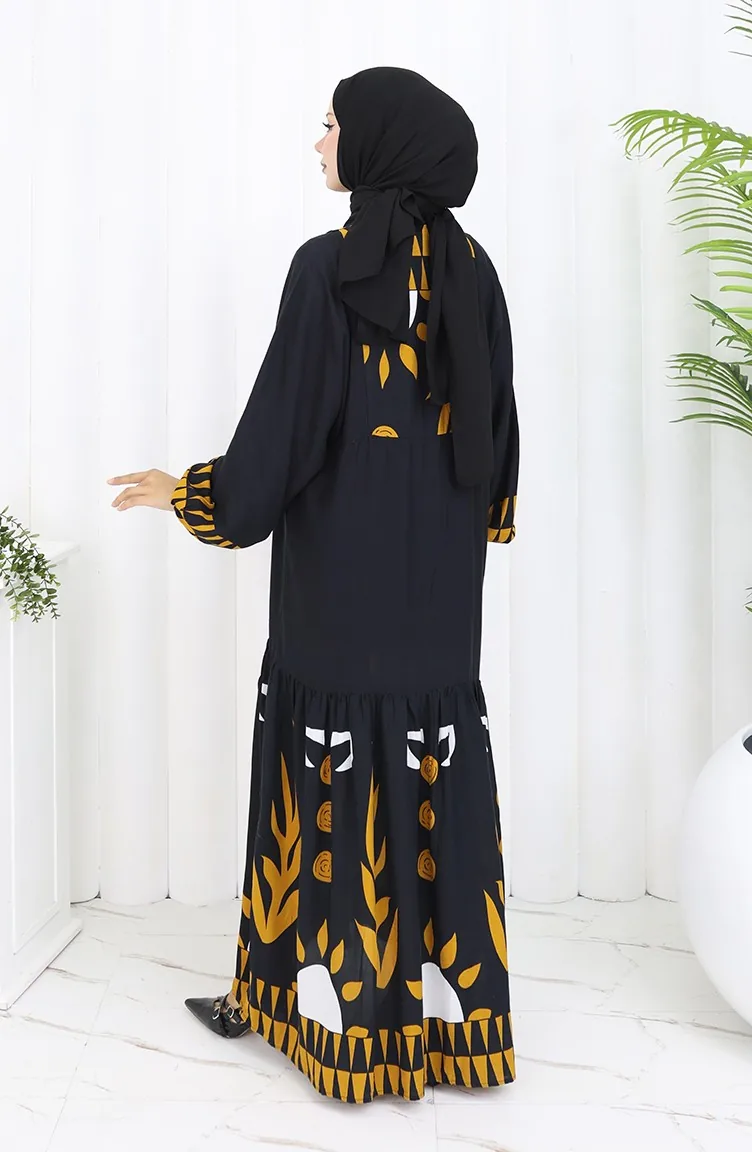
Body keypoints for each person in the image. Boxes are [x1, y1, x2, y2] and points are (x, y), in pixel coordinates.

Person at [107, 66, 518, 1105]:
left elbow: (282, 437)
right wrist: (473, 528)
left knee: (327, 775)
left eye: (331, 125)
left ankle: (317, 1017)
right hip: (440, 591)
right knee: (427, 768)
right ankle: (446, 1027)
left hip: (338, 583)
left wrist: (191, 493)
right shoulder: (474, 270)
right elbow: (499, 430)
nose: (319, 142)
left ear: (376, 142)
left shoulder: (328, 266)